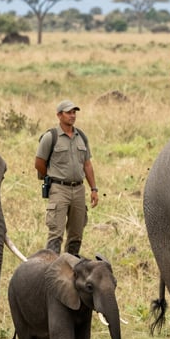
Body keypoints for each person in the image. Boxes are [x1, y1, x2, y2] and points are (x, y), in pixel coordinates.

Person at [35, 100, 99, 255]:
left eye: (74, 112)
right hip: (59, 189)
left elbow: (87, 165)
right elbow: (39, 163)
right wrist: (53, 177)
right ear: (59, 115)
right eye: (68, 112)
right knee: (56, 233)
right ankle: (51, 268)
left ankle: (71, 267)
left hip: (78, 189)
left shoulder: (81, 137)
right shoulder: (50, 137)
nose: (72, 116)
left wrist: (94, 189)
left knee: (76, 234)